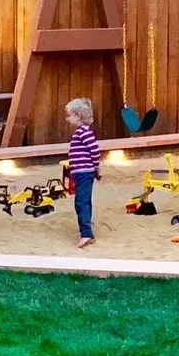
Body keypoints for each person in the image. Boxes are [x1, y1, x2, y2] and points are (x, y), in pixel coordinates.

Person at [65, 98, 102, 248]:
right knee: (85, 200)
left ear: (79, 116)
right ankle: (88, 225)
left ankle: (86, 233)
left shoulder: (83, 133)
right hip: (81, 172)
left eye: (70, 115)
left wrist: (96, 167)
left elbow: (95, 150)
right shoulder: (82, 132)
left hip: (84, 172)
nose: (68, 119)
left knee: (81, 202)